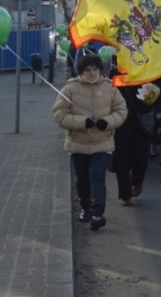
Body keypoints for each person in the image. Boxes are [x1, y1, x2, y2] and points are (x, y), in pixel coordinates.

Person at [52, 54, 128, 231]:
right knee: (83, 179)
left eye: (95, 69)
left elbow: (121, 110)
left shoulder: (110, 88)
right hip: (78, 143)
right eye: (88, 70)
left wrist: (107, 122)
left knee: (97, 177)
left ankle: (98, 213)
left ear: (100, 70)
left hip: (102, 143)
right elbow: (59, 114)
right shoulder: (70, 88)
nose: (92, 73)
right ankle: (85, 207)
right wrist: (81, 122)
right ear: (81, 71)